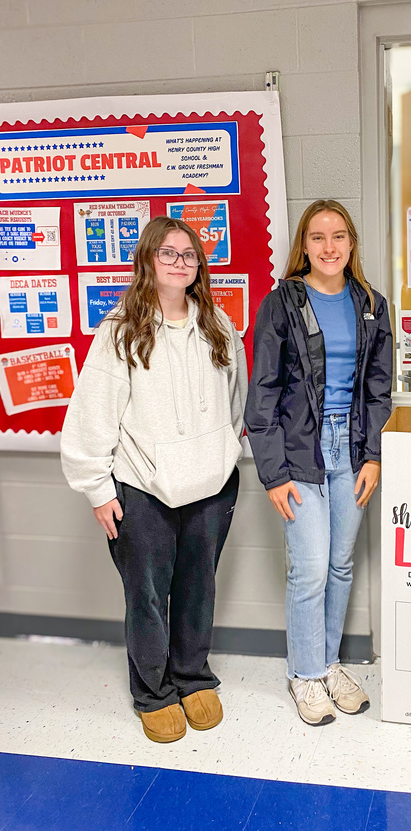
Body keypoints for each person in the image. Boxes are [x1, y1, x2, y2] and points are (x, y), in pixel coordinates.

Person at [61, 216, 247, 744]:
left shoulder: (217, 324)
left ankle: (191, 677)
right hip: (141, 488)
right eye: (168, 253)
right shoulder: (120, 331)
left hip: (210, 484)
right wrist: (98, 489)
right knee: (146, 595)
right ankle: (153, 691)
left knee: (197, 588)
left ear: (198, 265)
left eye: (189, 255)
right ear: (147, 260)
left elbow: (236, 400)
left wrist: (224, 451)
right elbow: (92, 415)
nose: (180, 262)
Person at [245, 199, 392, 726]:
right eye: (317, 237)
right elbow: (261, 392)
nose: (328, 247)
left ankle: (328, 664)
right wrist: (273, 473)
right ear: (303, 246)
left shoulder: (372, 303)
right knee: (308, 568)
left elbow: (379, 390)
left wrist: (373, 455)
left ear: (351, 243)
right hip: (298, 452)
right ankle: (304, 676)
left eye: (338, 237)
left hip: (351, 451)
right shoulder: (281, 303)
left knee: (340, 565)